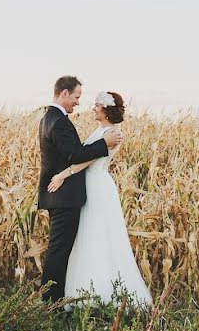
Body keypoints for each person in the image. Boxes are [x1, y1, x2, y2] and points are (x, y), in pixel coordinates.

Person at [47, 90, 153, 307]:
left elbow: (87, 160)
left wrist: (62, 175)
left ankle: (99, 293)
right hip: (92, 185)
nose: (93, 108)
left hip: (97, 186)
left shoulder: (112, 134)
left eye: (97, 105)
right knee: (87, 236)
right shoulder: (103, 130)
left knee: (96, 235)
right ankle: (83, 288)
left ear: (106, 109)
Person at [37, 75, 123, 302]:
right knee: (59, 251)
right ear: (64, 94)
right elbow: (75, 155)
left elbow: (77, 156)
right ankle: (50, 303)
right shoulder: (58, 121)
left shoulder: (50, 118)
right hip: (64, 197)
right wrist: (104, 144)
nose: (79, 102)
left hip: (71, 193)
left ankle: (58, 298)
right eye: (76, 97)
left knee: (64, 249)